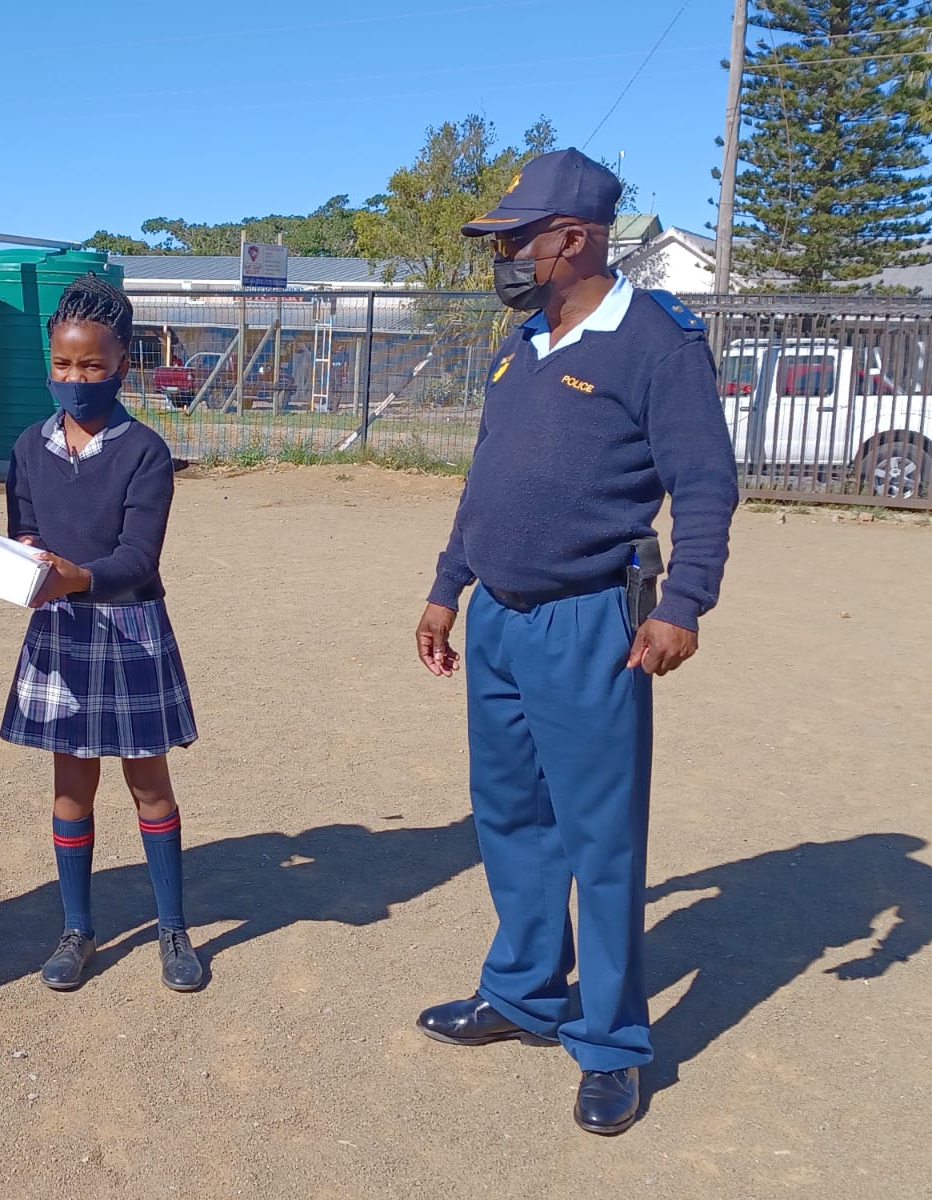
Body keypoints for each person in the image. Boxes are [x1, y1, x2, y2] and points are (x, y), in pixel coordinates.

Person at [411, 149, 738, 1135]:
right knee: (508, 819)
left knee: (599, 843)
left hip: (591, 622)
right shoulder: (521, 344)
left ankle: (608, 1045)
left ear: (575, 238)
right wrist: (445, 588)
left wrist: (682, 604)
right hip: (501, 622)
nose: (503, 256)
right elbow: (485, 484)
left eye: (516, 240)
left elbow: (708, 485)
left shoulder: (657, 342)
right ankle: (521, 995)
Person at [1, 273, 203, 993]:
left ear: (123, 365)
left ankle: (173, 927)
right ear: (48, 362)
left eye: (92, 365)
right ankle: (77, 929)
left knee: (149, 783)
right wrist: (16, 560)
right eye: (63, 363)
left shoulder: (144, 452)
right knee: (70, 786)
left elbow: (137, 560)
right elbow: (21, 525)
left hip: (129, 629)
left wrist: (72, 575)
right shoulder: (29, 445)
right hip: (61, 629)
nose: (76, 377)